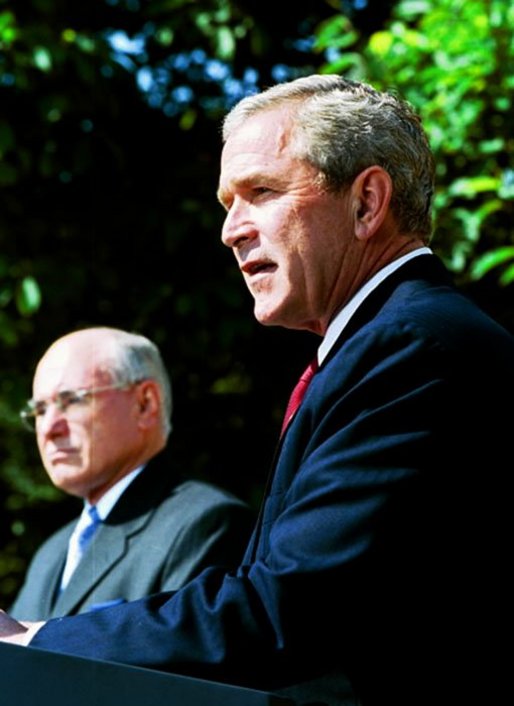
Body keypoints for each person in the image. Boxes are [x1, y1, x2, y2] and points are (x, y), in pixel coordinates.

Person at [1, 75, 513, 706]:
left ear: (367, 203)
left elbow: (288, 610)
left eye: (262, 192)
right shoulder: (385, 345)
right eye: (227, 203)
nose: (231, 230)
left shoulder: (411, 347)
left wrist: (35, 641)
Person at [8, 326, 253, 620]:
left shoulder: (203, 524)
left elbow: (179, 657)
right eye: (40, 410)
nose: (49, 428)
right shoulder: (52, 552)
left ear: (144, 404)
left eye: (71, 400)